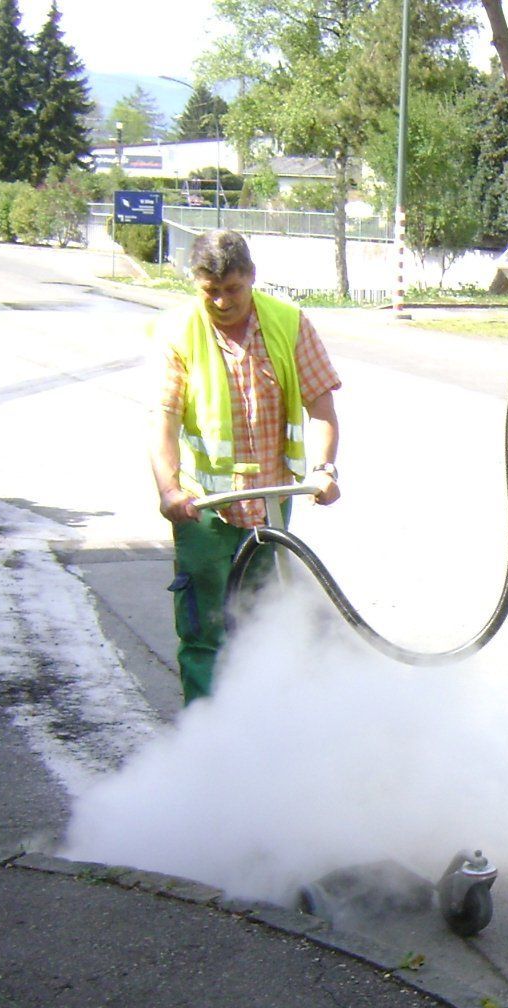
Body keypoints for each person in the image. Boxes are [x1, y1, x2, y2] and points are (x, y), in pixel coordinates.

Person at [150, 230, 342, 703]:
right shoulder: (179, 333)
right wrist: (169, 490)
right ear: (196, 284)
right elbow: (164, 422)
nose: (220, 301)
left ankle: (260, 738)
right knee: (204, 632)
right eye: (209, 290)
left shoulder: (289, 323)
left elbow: (321, 407)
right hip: (205, 512)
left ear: (251, 278)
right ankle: (205, 744)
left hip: (272, 509)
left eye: (232, 289)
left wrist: (325, 469)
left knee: (265, 629)